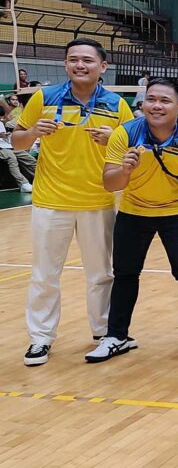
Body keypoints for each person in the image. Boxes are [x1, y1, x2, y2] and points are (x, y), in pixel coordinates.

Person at [13, 37, 134, 366]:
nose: (80, 65)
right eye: (73, 60)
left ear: (102, 67)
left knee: (100, 273)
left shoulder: (116, 104)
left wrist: (114, 139)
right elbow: (18, 143)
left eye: (87, 60)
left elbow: (131, 148)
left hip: (99, 201)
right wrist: (34, 132)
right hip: (51, 202)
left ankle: (104, 332)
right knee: (44, 274)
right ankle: (40, 338)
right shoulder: (43, 98)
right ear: (66, 65)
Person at [87, 79, 178, 363]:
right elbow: (110, 184)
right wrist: (125, 169)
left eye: (165, 101)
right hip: (133, 213)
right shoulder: (125, 134)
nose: (157, 106)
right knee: (125, 275)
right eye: (151, 99)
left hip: (177, 214)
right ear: (142, 103)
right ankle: (117, 336)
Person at [0, 123, 34, 192]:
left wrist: (6, 135)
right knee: (11, 157)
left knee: (29, 159)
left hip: (7, 147)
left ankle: (44, 180)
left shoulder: (0, 123)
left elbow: (4, 137)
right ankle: (23, 184)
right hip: (2, 150)